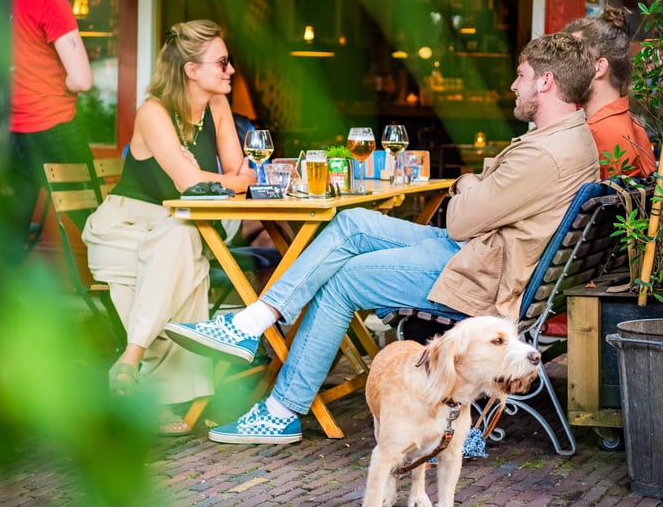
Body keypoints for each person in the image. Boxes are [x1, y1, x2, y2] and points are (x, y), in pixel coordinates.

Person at [164, 32, 600, 444]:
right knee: (352, 223)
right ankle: (251, 323)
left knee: (343, 280)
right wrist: (476, 189)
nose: (513, 85)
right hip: (479, 254)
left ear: (545, 81)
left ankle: (281, 411)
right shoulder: (567, 139)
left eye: (521, 75)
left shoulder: (544, 153)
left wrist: (468, 184)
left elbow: (459, 222)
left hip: (477, 274)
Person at [81, 20, 256, 435]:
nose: (231, 70)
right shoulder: (153, 113)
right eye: (222, 63)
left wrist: (226, 180)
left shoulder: (216, 106)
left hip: (176, 228)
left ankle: (130, 362)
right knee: (182, 263)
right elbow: (193, 184)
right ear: (191, 70)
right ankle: (155, 396)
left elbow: (236, 176)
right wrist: (229, 181)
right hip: (124, 229)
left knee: (178, 241)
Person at [0, 0, 95, 310]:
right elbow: (82, 79)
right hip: (56, 129)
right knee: (101, 229)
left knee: (8, 237)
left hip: (12, 135)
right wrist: (61, 80)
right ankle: (130, 328)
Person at [564, 6, 657, 179]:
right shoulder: (627, 124)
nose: (564, 69)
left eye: (575, 58)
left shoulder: (600, 135)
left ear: (599, 67)